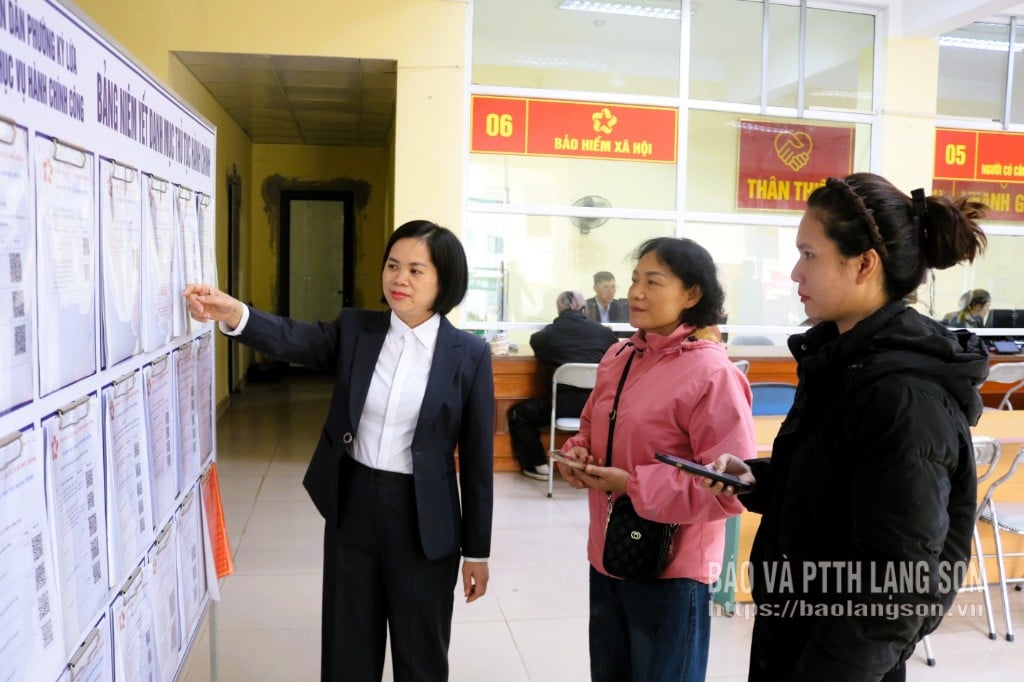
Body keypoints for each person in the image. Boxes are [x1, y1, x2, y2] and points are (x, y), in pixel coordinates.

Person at [182, 220, 494, 682]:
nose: (399, 279)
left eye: (415, 270)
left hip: (425, 518)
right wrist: (235, 313)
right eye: (392, 266)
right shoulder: (357, 330)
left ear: (444, 281)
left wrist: (478, 551)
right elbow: (294, 337)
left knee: (421, 652)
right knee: (348, 645)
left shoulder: (468, 354)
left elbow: (477, 461)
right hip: (355, 505)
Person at [707, 173, 988, 681]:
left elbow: (898, 583)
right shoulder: (843, 364)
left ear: (864, 264)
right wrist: (759, 480)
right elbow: (841, 492)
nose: (795, 272)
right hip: (797, 632)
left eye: (808, 254)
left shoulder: (903, 395)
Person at [555, 237, 757, 682]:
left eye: (653, 281)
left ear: (692, 295)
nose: (636, 292)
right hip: (609, 553)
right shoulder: (619, 355)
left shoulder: (712, 373)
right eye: (634, 280)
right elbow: (591, 425)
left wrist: (631, 485)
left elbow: (731, 488)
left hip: (672, 569)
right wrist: (577, 454)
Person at [507, 290, 617, 480]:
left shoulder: (544, 337)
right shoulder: (604, 335)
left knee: (519, 414)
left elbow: (539, 349)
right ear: (584, 309)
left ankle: (538, 466)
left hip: (561, 408)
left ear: (558, 310)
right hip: (598, 409)